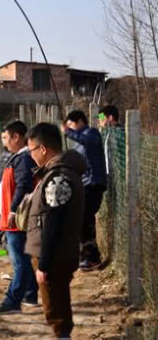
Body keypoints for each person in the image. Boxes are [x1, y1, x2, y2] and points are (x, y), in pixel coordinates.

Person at [25, 123, 87, 339]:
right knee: (59, 303)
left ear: (43, 149)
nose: (30, 156)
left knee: (56, 309)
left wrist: (43, 264)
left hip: (54, 256)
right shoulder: (60, 173)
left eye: (31, 150)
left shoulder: (59, 177)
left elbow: (54, 221)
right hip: (59, 254)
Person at [0, 121, 38, 314]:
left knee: (19, 261)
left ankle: (13, 300)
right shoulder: (18, 157)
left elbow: (24, 184)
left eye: (6, 137)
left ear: (16, 137)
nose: (5, 142)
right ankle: (30, 294)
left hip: (16, 220)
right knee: (22, 260)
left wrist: (12, 210)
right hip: (11, 219)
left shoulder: (24, 158)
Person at [62, 110, 107, 271]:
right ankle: (90, 257)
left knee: (84, 220)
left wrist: (68, 132)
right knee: (84, 221)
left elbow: (88, 141)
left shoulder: (91, 133)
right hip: (85, 184)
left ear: (80, 121)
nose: (71, 129)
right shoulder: (80, 138)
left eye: (72, 125)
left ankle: (91, 258)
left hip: (93, 184)